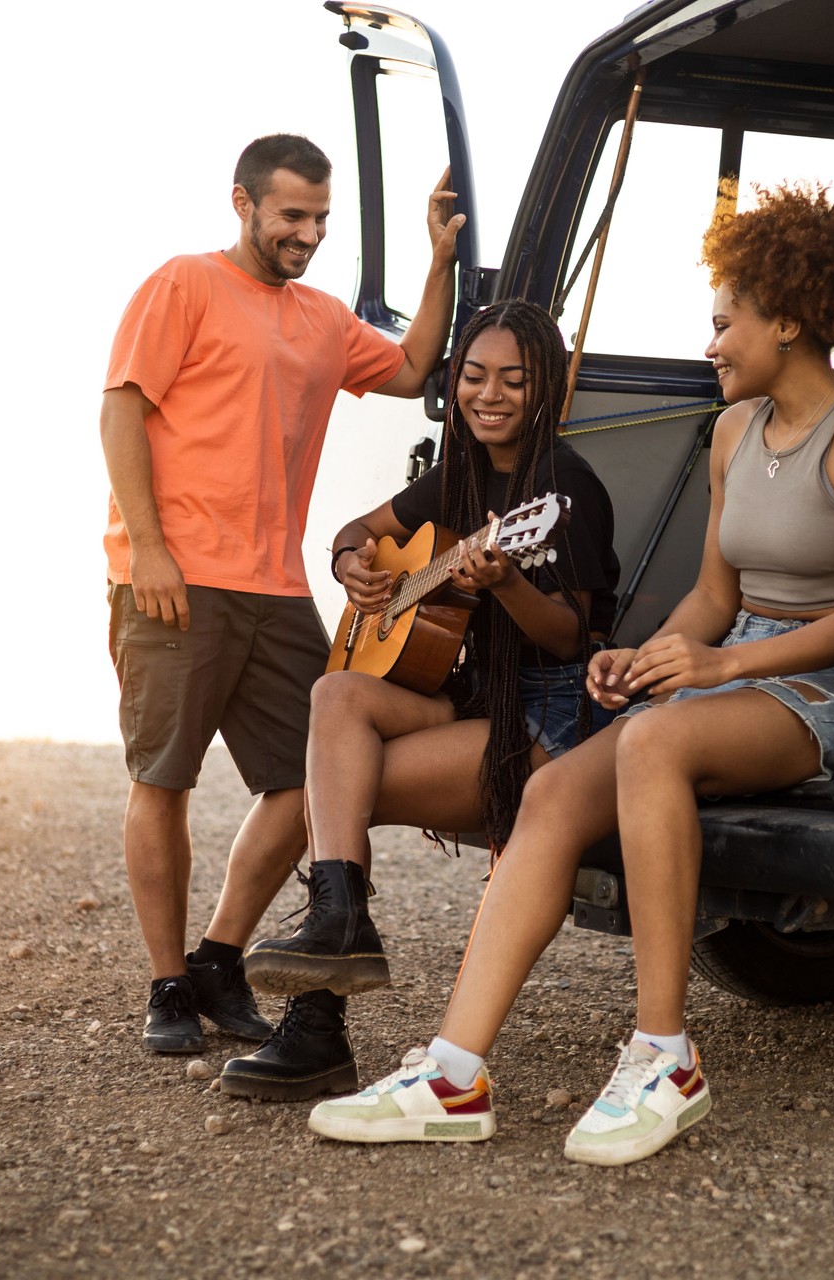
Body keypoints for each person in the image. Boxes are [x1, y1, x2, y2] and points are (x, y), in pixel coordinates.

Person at [305, 183, 834, 1162]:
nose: (711, 345)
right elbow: (713, 594)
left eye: (725, 324)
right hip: (736, 658)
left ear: (791, 319)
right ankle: (455, 1073)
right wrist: (644, 656)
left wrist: (720, 664)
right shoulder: (731, 432)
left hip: (828, 676)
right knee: (551, 791)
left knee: (659, 741)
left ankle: (664, 1054)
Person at [99, 133, 464, 1057]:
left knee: (310, 782)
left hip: (276, 584)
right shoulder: (182, 284)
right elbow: (122, 409)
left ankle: (219, 958)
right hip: (176, 578)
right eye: (292, 215)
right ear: (245, 204)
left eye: (320, 219)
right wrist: (149, 549)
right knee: (163, 780)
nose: (307, 233)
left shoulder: (323, 318)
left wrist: (439, 258)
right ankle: (166, 986)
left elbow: (416, 368)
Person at [220, 300, 619, 1100]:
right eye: (473, 376)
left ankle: (317, 1026)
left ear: (546, 388)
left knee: (339, 789)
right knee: (337, 694)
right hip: (474, 698)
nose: (490, 395)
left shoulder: (563, 489)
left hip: (543, 722)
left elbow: (572, 639)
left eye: (514, 378)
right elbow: (355, 529)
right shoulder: (459, 471)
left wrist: (503, 581)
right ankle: (340, 929)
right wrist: (349, 566)